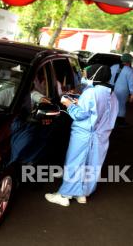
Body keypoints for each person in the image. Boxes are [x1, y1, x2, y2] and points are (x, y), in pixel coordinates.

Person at [45, 64, 119, 206]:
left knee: (75, 163)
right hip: (101, 137)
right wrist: (80, 102)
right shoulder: (112, 94)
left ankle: (64, 195)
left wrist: (69, 104)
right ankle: (82, 194)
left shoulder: (91, 92)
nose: (85, 76)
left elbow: (80, 115)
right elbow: (100, 112)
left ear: (94, 75)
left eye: (87, 74)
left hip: (84, 134)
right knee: (92, 165)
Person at [110, 53, 133, 126]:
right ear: (130, 61)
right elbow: (131, 84)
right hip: (122, 92)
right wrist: (132, 95)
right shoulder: (130, 71)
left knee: (110, 105)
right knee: (121, 106)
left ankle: (110, 121)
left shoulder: (113, 67)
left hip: (110, 90)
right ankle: (119, 122)